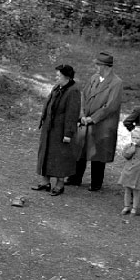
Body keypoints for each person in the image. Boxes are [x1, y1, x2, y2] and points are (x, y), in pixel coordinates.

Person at [66, 52, 123, 191]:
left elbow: (110, 106)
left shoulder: (116, 82)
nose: (96, 67)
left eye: (98, 64)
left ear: (106, 66)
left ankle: (96, 183)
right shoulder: (94, 78)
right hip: (86, 120)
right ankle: (75, 178)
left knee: (98, 152)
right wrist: (82, 114)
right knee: (80, 149)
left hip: (102, 124)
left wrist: (93, 118)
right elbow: (84, 96)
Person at [31, 64, 81, 196]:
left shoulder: (73, 91)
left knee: (61, 156)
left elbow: (72, 114)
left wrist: (68, 133)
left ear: (67, 77)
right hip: (50, 128)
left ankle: (60, 184)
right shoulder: (57, 87)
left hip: (61, 130)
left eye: (58, 75)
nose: (56, 77)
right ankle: (45, 182)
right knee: (46, 153)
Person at [118, 127, 140, 216]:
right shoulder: (128, 146)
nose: (135, 140)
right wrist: (131, 150)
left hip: (138, 173)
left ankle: (134, 208)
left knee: (136, 192)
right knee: (127, 190)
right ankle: (126, 206)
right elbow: (125, 155)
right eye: (133, 137)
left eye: (137, 138)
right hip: (129, 171)